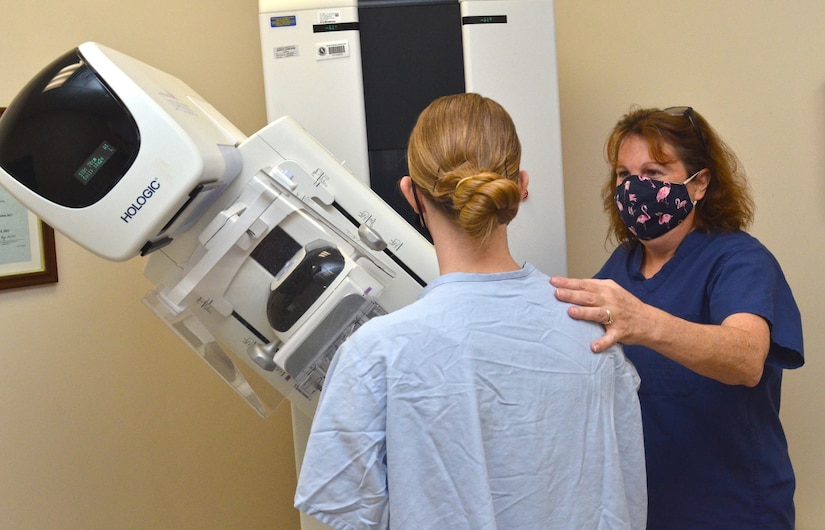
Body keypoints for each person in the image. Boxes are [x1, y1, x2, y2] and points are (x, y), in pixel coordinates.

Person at [294, 93, 647, 529]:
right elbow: (624, 501)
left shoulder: (374, 355)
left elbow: (346, 513)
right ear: (520, 186)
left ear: (411, 194)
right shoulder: (594, 336)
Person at [551, 105, 804, 529]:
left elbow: (746, 359)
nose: (636, 188)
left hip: (732, 510)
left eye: (654, 172)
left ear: (700, 182)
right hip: (643, 510)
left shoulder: (739, 260)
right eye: (624, 176)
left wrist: (645, 322)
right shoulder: (621, 266)